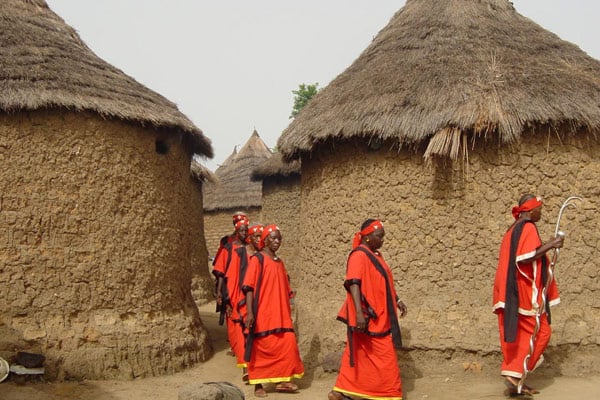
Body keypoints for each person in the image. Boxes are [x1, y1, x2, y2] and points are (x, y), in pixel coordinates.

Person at [493, 194, 564, 395]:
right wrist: (551, 244)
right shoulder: (527, 227)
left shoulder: (513, 229)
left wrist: (549, 244)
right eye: (539, 209)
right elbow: (524, 257)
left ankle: (517, 377)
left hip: (510, 290)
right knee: (542, 332)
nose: (541, 212)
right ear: (530, 210)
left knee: (523, 335)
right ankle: (515, 374)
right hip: (522, 291)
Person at [329, 219, 407, 400]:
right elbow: (353, 283)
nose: (382, 240)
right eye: (379, 236)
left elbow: (384, 282)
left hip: (381, 314)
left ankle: (341, 391)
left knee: (359, 354)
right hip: (368, 316)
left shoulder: (376, 255)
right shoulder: (358, 255)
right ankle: (390, 394)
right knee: (383, 357)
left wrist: (397, 299)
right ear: (368, 237)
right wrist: (358, 314)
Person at [242, 224, 304, 397]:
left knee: (287, 343)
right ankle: (258, 385)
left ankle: (283, 380)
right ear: (265, 240)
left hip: (281, 313)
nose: (277, 242)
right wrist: (250, 312)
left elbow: (284, 286)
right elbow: (248, 287)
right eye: (273, 238)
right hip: (264, 312)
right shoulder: (257, 260)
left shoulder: (279, 262)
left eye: (279, 239)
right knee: (261, 348)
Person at [212, 216, 248, 363]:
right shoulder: (227, 245)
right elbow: (220, 270)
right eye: (241, 230)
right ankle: (237, 348)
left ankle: (243, 350)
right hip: (231, 288)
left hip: (245, 287)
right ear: (236, 228)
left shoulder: (250, 247)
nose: (245, 233)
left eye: (246, 230)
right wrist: (220, 292)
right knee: (233, 320)